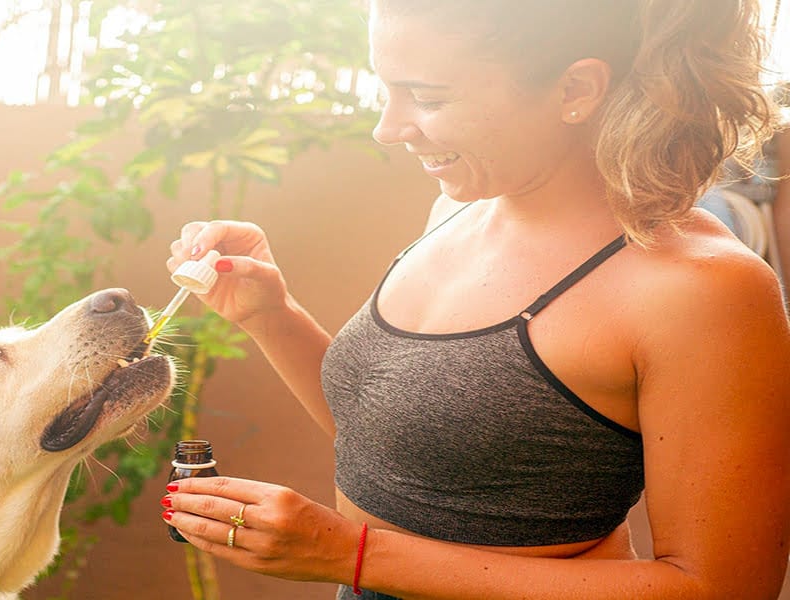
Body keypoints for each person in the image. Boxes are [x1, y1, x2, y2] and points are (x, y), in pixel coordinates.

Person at [160, 1, 790, 599]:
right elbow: (412, 450)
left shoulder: (701, 289)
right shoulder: (459, 208)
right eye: (387, 89)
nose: (388, 128)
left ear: (576, 91)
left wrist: (351, 555)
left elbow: (722, 587)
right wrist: (271, 316)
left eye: (428, 97)